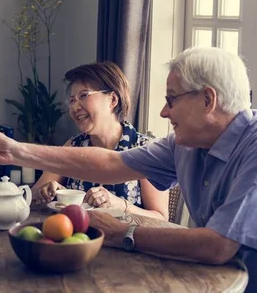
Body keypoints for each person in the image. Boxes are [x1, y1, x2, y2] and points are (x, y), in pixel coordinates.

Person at [0, 47, 257, 293]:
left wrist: (125, 232)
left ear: (207, 99)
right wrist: (16, 150)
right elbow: (111, 163)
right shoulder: (187, 142)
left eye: (171, 99)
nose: (164, 111)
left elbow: (219, 245)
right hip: (209, 278)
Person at [32, 62, 168, 220]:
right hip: (78, 239)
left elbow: (161, 218)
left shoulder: (145, 148)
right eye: (71, 100)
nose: (75, 107)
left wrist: (120, 204)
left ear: (113, 100)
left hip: (124, 242)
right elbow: (33, 196)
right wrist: (45, 192)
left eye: (83, 95)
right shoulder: (74, 145)